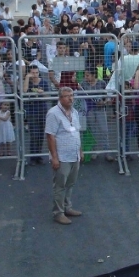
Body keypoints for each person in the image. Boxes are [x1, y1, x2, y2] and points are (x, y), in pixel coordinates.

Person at [46, 87, 83, 225]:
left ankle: (67, 207)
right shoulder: (53, 114)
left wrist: (80, 150)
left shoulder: (74, 112)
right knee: (60, 185)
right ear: (60, 98)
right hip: (62, 157)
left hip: (74, 155)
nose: (71, 98)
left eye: (72, 95)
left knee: (70, 183)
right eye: (67, 96)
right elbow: (50, 136)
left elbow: (77, 132)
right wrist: (54, 157)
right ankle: (58, 213)